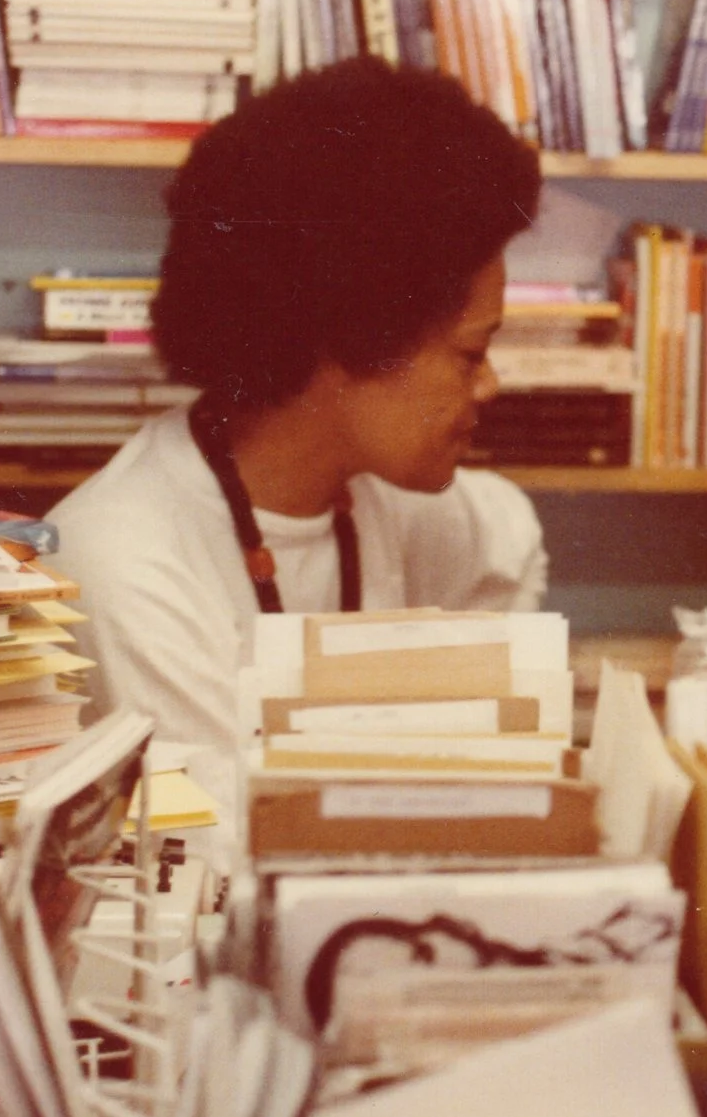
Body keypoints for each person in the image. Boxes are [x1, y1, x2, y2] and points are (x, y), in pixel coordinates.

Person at [46, 59, 549, 821]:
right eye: (470, 354)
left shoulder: (416, 510)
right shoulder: (124, 562)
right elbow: (217, 852)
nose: (489, 387)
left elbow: (511, 542)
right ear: (348, 340)